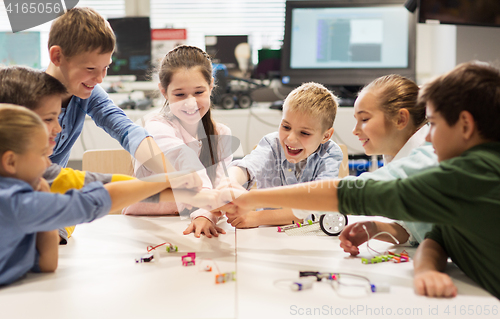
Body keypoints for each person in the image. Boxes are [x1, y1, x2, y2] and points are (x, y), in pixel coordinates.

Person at [221, 61, 500, 299]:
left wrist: (250, 199)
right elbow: (436, 231)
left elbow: (349, 193)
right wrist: (383, 230)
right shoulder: (463, 173)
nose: (428, 136)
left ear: (465, 125)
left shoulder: (451, 170)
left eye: (435, 124)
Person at [0, 65, 219, 243]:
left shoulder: (43, 175)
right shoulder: (33, 181)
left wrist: (181, 189)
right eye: (48, 119)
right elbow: (104, 193)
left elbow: (107, 185)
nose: (59, 128)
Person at [0, 104, 208, 286]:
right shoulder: (17, 201)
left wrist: (47, 210)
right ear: (10, 162)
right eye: (41, 155)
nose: (48, 163)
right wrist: (166, 178)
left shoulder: (26, 197)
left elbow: (46, 264)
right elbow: (95, 200)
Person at [45, 7, 172, 174]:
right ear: (57, 57)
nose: (99, 79)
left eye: (105, 67)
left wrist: (172, 174)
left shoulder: (87, 93)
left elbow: (127, 131)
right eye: (90, 68)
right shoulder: (25, 98)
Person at [123, 45, 232, 238]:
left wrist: (206, 215)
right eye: (180, 94)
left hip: (197, 228)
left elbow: (220, 189)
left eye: (199, 92)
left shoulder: (221, 135)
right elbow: (183, 158)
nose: (190, 102)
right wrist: (206, 204)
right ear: (164, 92)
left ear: (211, 86)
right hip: (146, 228)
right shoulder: (155, 125)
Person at [218, 82, 343, 228]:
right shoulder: (272, 144)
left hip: (310, 237)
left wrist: (257, 217)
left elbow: (319, 206)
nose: (290, 138)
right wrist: (230, 180)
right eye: (286, 127)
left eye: (304, 133)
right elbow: (247, 167)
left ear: (326, 135)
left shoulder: (330, 154)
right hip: (267, 236)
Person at [338, 75, 438, 255]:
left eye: (365, 119)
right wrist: (375, 228)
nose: (355, 130)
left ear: (400, 119)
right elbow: (413, 229)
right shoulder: (395, 155)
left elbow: (348, 191)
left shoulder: (423, 160)